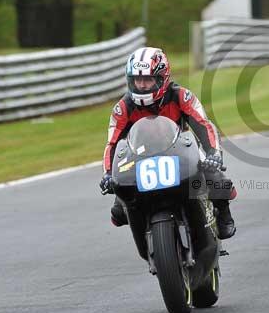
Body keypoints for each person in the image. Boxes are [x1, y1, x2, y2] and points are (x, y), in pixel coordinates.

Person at [99, 46, 237, 239]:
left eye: (148, 79)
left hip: (181, 151)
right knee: (118, 212)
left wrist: (213, 154)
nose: (142, 85)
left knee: (216, 179)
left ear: (162, 78)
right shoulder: (123, 108)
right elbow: (112, 143)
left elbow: (204, 125)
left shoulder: (181, 96)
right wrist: (108, 173)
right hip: (140, 158)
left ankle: (223, 214)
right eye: (137, 79)